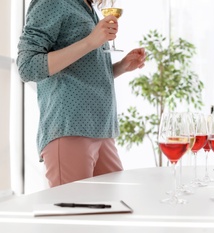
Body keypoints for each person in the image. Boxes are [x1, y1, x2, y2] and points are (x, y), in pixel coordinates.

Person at [17, 0, 146, 187]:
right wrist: (90, 41)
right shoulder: (51, 2)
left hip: (102, 129)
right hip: (70, 128)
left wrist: (121, 67)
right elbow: (28, 67)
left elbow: (84, 71)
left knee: (114, 212)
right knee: (73, 213)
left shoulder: (87, 6)